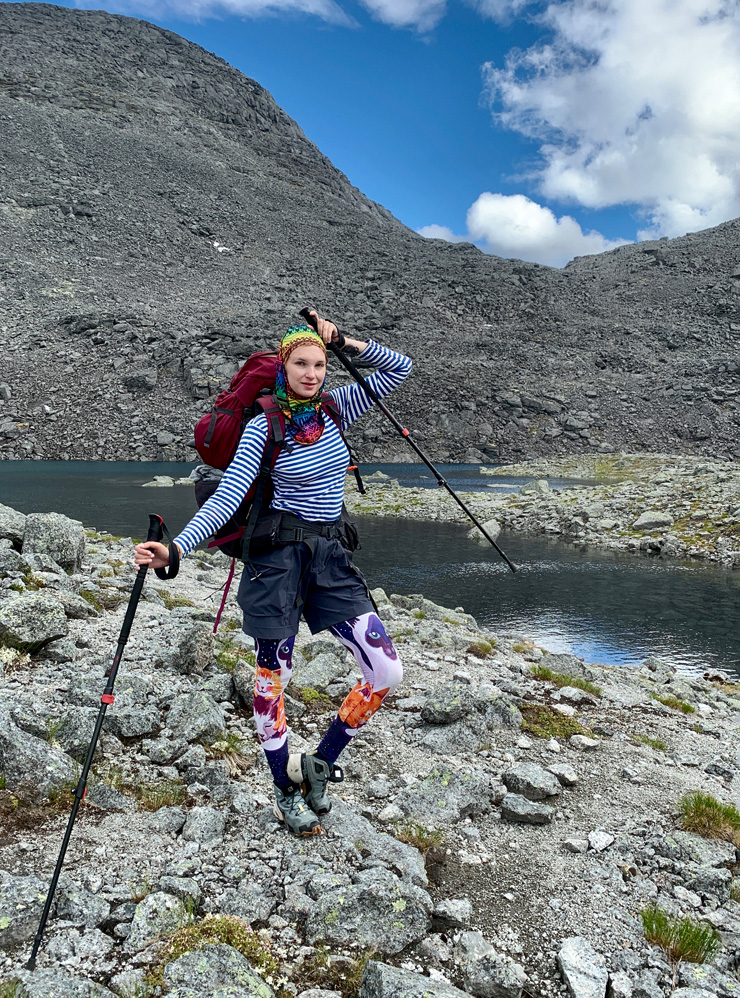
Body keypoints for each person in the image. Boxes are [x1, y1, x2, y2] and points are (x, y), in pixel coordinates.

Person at [134, 312, 412, 836]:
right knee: (271, 682)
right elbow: (230, 496)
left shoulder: (336, 409)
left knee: (385, 670)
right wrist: (176, 550)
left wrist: (344, 338)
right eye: (301, 364)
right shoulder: (264, 426)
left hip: (330, 560)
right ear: (282, 367)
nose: (312, 373)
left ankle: (320, 761)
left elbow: (400, 367)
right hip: (278, 564)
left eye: (320, 364)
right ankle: (285, 790)